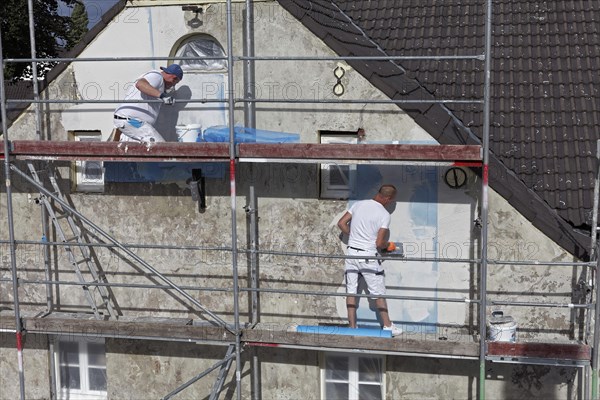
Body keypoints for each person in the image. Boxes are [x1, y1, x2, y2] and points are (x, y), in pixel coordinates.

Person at [337, 184, 402, 336]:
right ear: (387, 198)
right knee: (377, 292)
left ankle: (352, 328)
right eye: (392, 200)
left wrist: (354, 236)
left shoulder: (359, 204)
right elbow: (379, 243)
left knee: (351, 291)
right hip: (367, 257)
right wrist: (389, 246)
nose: (391, 202)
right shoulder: (384, 215)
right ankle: (388, 326)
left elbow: (341, 223)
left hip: (352, 255)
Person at [112, 64, 183, 143]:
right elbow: (140, 84)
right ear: (174, 78)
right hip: (133, 121)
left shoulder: (159, 84)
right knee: (159, 146)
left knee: (133, 152)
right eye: (175, 82)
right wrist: (162, 96)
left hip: (130, 122)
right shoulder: (157, 76)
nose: (173, 85)